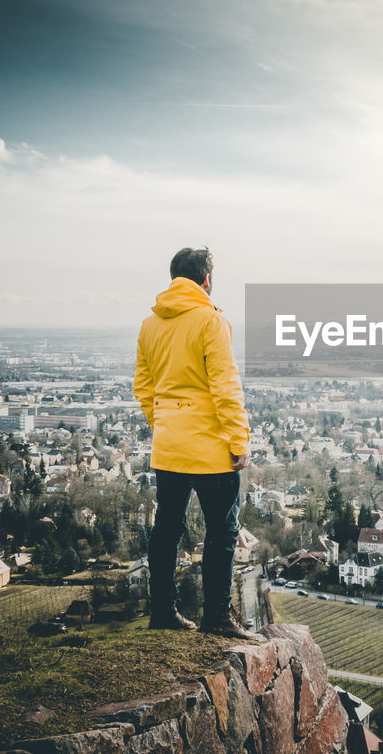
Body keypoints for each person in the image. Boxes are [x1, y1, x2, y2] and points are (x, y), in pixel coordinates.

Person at [134, 247, 254, 636]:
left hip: (168, 446)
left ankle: (163, 613)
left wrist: (164, 423)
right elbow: (225, 385)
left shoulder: (149, 325)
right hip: (210, 448)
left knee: (167, 529)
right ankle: (217, 617)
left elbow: (144, 386)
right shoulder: (210, 320)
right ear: (206, 280)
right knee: (221, 531)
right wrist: (239, 440)